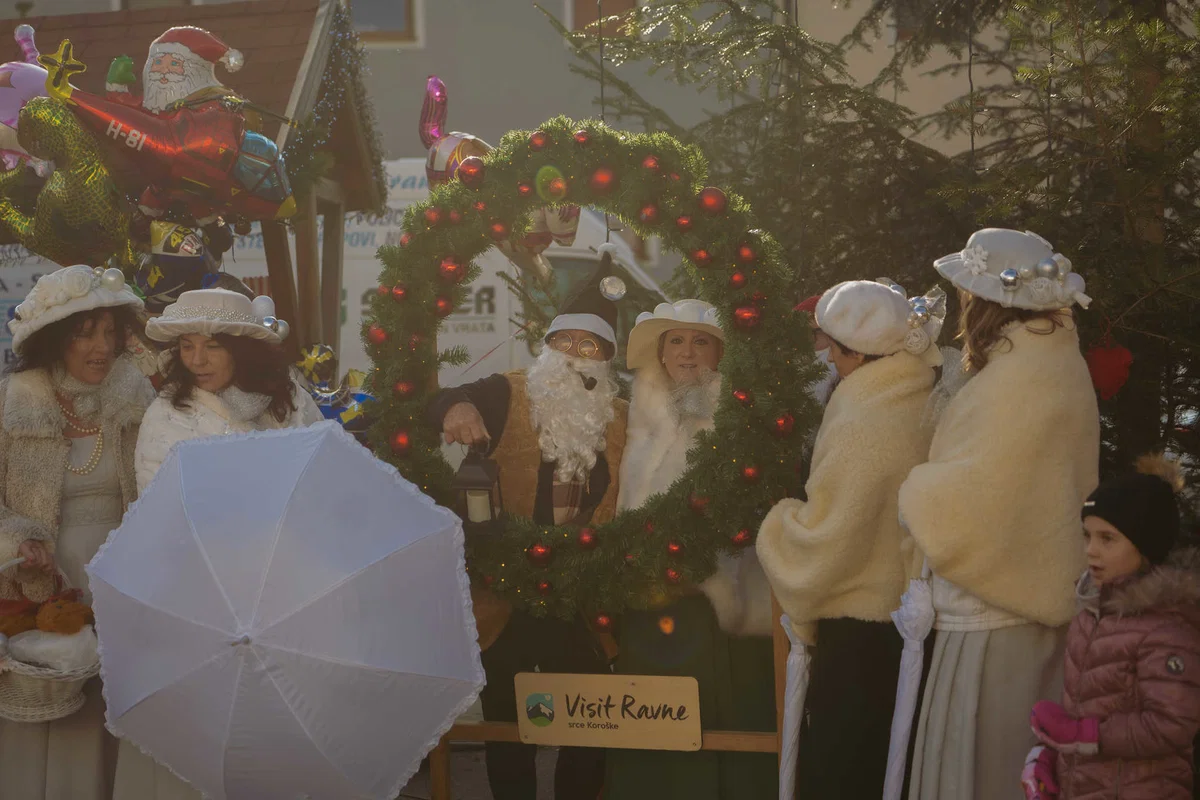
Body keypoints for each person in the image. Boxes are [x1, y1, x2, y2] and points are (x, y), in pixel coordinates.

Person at [900, 228, 1100, 800]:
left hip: (995, 607)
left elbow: (986, 492)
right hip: (1032, 593)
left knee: (985, 760)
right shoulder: (1057, 360)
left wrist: (916, 492)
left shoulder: (1019, 375)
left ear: (985, 301)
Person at [427, 266, 628, 800]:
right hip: (507, 589)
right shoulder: (505, 393)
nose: (574, 352)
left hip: (581, 594)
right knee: (509, 723)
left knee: (588, 721)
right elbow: (437, 403)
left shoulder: (623, 416)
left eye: (589, 345)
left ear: (605, 358)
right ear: (547, 346)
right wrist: (458, 406)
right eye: (564, 340)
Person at [118, 288, 319, 800]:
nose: (197, 360)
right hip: (203, 592)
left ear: (243, 347)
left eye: (211, 346)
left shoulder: (288, 397)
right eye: (187, 346)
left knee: (275, 732)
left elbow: (319, 476)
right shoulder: (169, 413)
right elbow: (156, 512)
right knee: (210, 732)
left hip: (283, 586)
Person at [756, 280, 942, 798]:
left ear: (855, 352)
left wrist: (780, 524)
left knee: (844, 767)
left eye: (831, 348)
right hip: (907, 621)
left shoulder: (865, 417)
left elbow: (833, 536)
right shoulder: (916, 393)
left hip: (861, 621)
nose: (829, 360)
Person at [604, 299, 776, 799]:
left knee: (715, 712)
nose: (687, 352)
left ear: (720, 352)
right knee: (649, 714)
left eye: (700, 341)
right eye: (676, 341)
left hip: (718, 594)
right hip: (645, 591)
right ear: (660, 351)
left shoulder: (742, 410)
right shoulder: (638, 405)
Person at [0, 265, 155, 800]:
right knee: (56, 705)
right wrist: (15, 538)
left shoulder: (137, 396)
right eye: (85, 333)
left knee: (115, 705)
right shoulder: (14, 401)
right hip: (42, 582)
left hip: (123, 581)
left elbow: (161, 482)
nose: (101, 347)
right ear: (52, 341)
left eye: (110, 332)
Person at [1022, 455, 1200, 800]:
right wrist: (1051, 758)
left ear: (1145, 546)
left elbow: (1172, 726)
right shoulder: (1091, 614)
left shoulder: (1167, 628)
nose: (1091, 551)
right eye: (1087, 536)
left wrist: (1081, 735)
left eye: (1108, 539)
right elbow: (1086, 705)